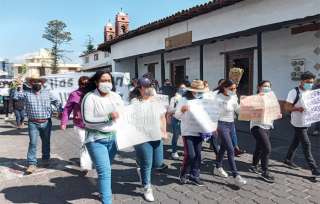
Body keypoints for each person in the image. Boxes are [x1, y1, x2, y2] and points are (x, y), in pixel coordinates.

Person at [129, 77, 168, 202]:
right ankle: (147, 187)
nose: (149, 89)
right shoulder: (134, 101)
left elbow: (162, 117)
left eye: (150, 86)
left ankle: (139, 163)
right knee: (147, 163)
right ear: (139, 88)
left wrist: (164, 131)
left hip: (156, 136)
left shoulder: (157, 100)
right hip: (142, 137)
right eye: (146, 86)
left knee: (157, 163)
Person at [13, 75, 61, 174]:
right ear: (30, 83)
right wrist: (19, 85)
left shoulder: (48, 93)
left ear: (42, 83)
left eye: (38, 82)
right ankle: (32, 163)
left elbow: (57, 101)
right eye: (34, 82)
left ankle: (46, 159)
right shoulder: (26, 93)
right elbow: (15, 96)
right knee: (33, 143)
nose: (36, 83)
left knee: (46, 142)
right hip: (33, 123)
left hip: (46, 122)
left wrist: (59, 111)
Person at [283, 71, 320, 177]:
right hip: (298, 123)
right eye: (308, 82)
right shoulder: (294, 92)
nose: (310, 84)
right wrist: (297, 108)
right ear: (302, 81)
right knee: (306, 144)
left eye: (312, 82)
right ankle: (314, 168)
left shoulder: (310, 92)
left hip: (307, 121)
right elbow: (286, 107)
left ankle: (288, 159)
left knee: (296, 141)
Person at [175, 80, 210, 186]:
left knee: (198, 155)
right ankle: (183, 173)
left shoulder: (204, 100)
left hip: (199, 131)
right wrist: (182, 110)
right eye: (197, 91)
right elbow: (176, 115)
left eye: (201, 91)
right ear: (192, 90)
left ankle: (194, 175)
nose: (199, 93)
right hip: (188, 131)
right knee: (191, 154)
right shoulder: (184, 100)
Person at [213, 79, 247, 187]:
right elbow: (211, 111)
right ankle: (236, 176)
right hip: (220, 124)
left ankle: (217, 167)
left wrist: (249, 111)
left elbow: (236, 108)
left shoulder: (234, 96)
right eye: (231, 89)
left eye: (235, 88)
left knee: (223, 147)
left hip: (231, 124)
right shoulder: (216, 97)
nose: (234, 90)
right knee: (230, 149)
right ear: (224, 88)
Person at [249, 80, 279, 183]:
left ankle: (253, 166)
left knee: (259, 147)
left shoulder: (271, 98)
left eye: (268, 86)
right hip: (257, 126)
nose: (266, 88)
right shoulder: (254, 98)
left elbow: (275, 111)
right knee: (267, 148)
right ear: (259, 87)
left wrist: (277, 114)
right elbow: (248, 112)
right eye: (264, 86)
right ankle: (265, 171)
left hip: (268, 126)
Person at [60, 76, 91, 175]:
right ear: (79, 84)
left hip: (93, 125)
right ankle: (85, 166)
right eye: (83, 83)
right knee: (84, 144)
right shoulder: (74, 95)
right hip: (80, 124)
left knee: (92, 145)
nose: (85, 85)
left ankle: (90, 161)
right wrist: (64, 122)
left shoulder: (93, 94)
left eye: (87, 84)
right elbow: (67, 109)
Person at [168, 83, 186, 159]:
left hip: (185, 120)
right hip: (176, 120)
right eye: (181, 88)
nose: (183, 89)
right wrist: (178, 107)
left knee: (185, 137)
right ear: (178, 89)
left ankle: (186, 151)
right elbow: (170, 110)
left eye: (184, 88)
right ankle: (174, 151)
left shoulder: (186, 98)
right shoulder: (174, 98)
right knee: (176, 136)